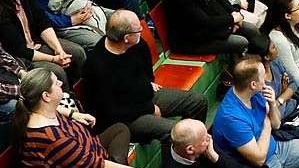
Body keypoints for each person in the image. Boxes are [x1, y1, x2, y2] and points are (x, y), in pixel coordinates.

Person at [13, 66, 145, 168]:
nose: (61, 82)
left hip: (88, 156)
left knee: (119, 130)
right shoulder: (50, 138)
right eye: (56, 83)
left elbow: (58, 111)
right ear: (46, 96)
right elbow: (94, 166)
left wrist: (73, 114)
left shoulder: (38, 110)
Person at [81, 9, 208, 143]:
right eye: (138, 30)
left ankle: (193, 150)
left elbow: (147, 71)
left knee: (198, 102)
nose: (141, 31)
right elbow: (110, 113)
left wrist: (148, 83)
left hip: (146, 98)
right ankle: (178, 160)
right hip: (125, 119)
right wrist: (149, 108)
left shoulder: (137, 44)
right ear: (126, 38)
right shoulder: (97, 66)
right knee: (174, 132)